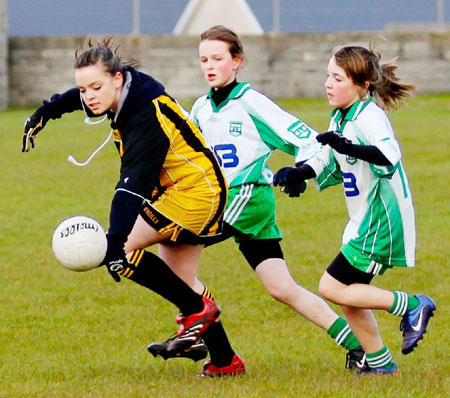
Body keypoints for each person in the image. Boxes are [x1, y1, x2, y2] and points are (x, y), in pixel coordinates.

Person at [22, 36, 245, 377]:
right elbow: (88, 95)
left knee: (123, 251)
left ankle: (196, 312)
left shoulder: (143, 113)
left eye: (95, 87)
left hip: (196, 191)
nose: (89, 96)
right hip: (185, 189)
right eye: (83, 90)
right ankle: (225, 361)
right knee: (182, 281)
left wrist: (113, 240)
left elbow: (132, 186)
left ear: (117, 78)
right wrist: (48, 110)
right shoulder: (123, 90)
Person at [148, 25, 367, 373]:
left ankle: (198, 331)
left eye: (218, 58)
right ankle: (359, 347)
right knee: (282, 288)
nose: (210, 65)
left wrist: (300, 171)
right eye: (204, 59)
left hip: (246, 198)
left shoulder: (251, 103)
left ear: (237, 61)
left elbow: (308, 139)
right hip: (221, 201)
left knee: (172, 241)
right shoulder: (202, 107)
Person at [273, 43, 436, 375]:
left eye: (337, 77)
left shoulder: (369, 116)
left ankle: (413, 305)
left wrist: (348, 146)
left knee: (330, 287)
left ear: (362, 85)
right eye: (327, 76)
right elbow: (330, 155)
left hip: (381, 218)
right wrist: (300, 173)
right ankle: (380, 365)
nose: (328, 84)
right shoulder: (342, 115)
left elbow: (388, 154)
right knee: (350, 297)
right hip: (364, 218)